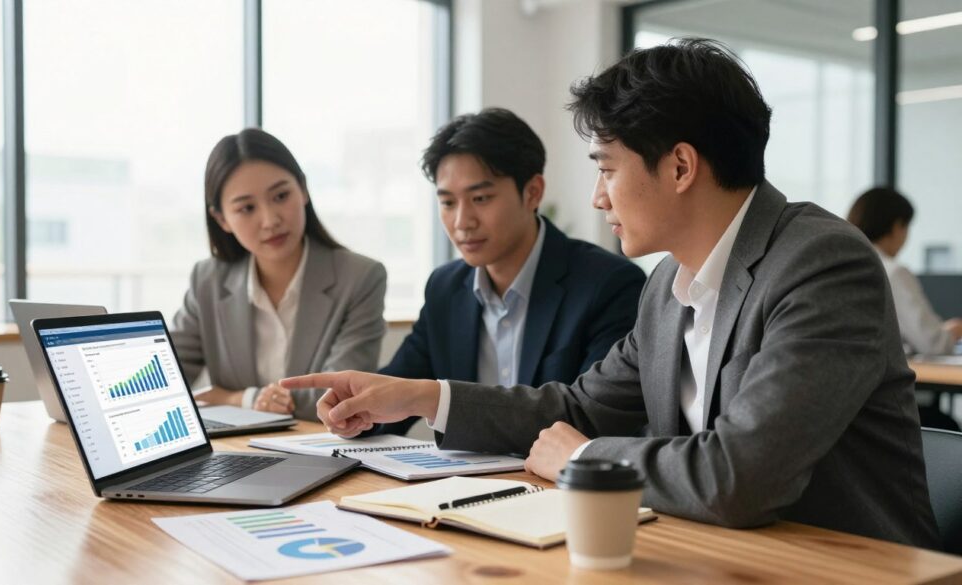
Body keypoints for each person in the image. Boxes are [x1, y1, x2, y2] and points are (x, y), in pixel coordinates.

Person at [282, 39, 939, 548]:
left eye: (607, 169)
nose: (597, 198)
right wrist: (419, 394)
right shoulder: (667, 286)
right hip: (711, 553)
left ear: (680, 166)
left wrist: (585, 458)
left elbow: (742, 475)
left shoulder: (821, 262)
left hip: (844, 565)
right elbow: (580, 405)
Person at [372, 107, 646, 435]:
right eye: (447, 203)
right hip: (457, 482)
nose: (462, 222)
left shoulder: (608, 284)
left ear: (532, 192)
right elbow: (395, 394)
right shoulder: (445, 288)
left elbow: (595, 418)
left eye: (481, 198)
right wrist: (352, 410)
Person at [170, 128, 387, 421]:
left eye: (281, 196)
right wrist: (246, 398)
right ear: (222, 219)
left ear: (304, 190)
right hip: (237, 453)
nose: (270, 220)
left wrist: (227, 397)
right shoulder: (207, 281)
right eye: (247, 208)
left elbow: (339, 397)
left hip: (322, 452)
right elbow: (165, 382)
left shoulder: (360, 278)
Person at [848, 187, 962, 355]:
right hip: (889, 375)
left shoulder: (844, 265)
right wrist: (955, 330)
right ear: (896, 226)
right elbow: (932, 343)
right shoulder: (892, 271)